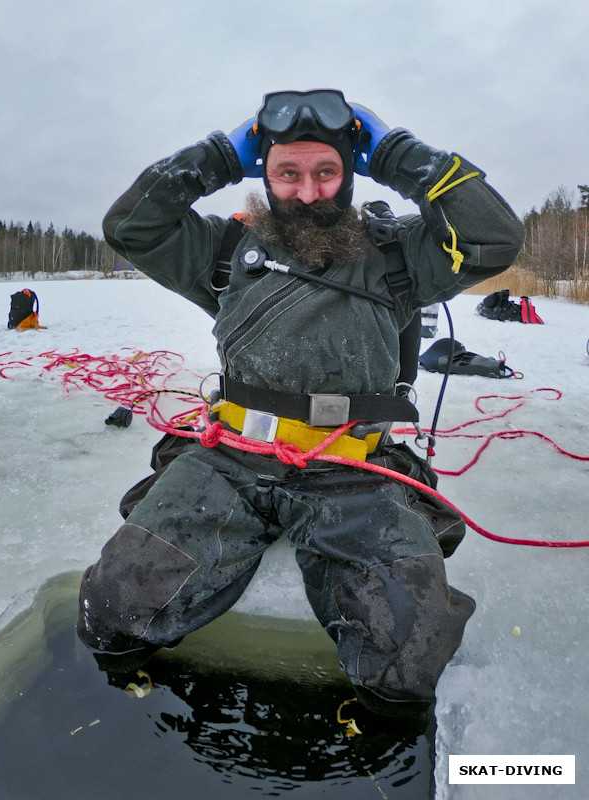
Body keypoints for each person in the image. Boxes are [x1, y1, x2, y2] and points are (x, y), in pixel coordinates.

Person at [77, 89, 525, 715]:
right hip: (228, 463)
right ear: (263, 172)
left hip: (351, 475)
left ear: (351, 174)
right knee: (115, 610)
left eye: (325, 172)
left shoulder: (397, 256)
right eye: (288, 172)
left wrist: (400, 154)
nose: (307, 192)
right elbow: (130, 226)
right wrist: (214, 157)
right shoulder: (226, 252)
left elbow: (496, 238)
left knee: (407, 660)